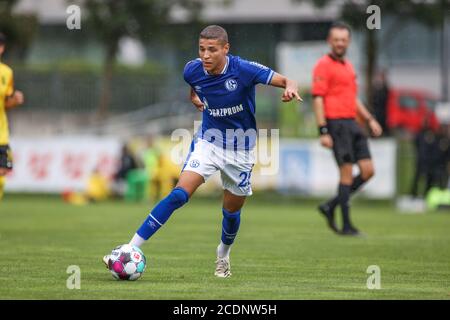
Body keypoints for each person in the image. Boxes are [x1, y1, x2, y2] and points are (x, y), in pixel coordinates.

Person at [103, 25, 301, 277]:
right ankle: (128, 249)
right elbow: (195, 84)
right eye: (202, 49)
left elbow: (287, 79)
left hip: (241, 149)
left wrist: (290, 88)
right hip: (209, 141)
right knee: (178, 195)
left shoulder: (244, 70)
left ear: (225, 49)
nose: (205, 55)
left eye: (212, 50)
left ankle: (223, 254)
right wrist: (195, 97)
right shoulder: (192, 69)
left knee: (231, 212)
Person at [312, 22, 382, 236]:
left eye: (344, 40)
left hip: (353, 123)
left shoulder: (348, 66)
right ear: (329, 41)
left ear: (348, 42)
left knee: (368, 171)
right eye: (336, 39)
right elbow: (317, 99)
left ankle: (330, 205)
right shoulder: (323, 65)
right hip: (336, 124)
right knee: (347, 174)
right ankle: (347, 226)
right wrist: (323, 131)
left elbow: (352, 98)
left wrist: (370, 119)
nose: (340, 43)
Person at [0, 32, 24, 200]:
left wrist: (14, 101)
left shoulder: (6, 73)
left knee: (3, 171)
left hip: (1, 134)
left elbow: (5, 104)